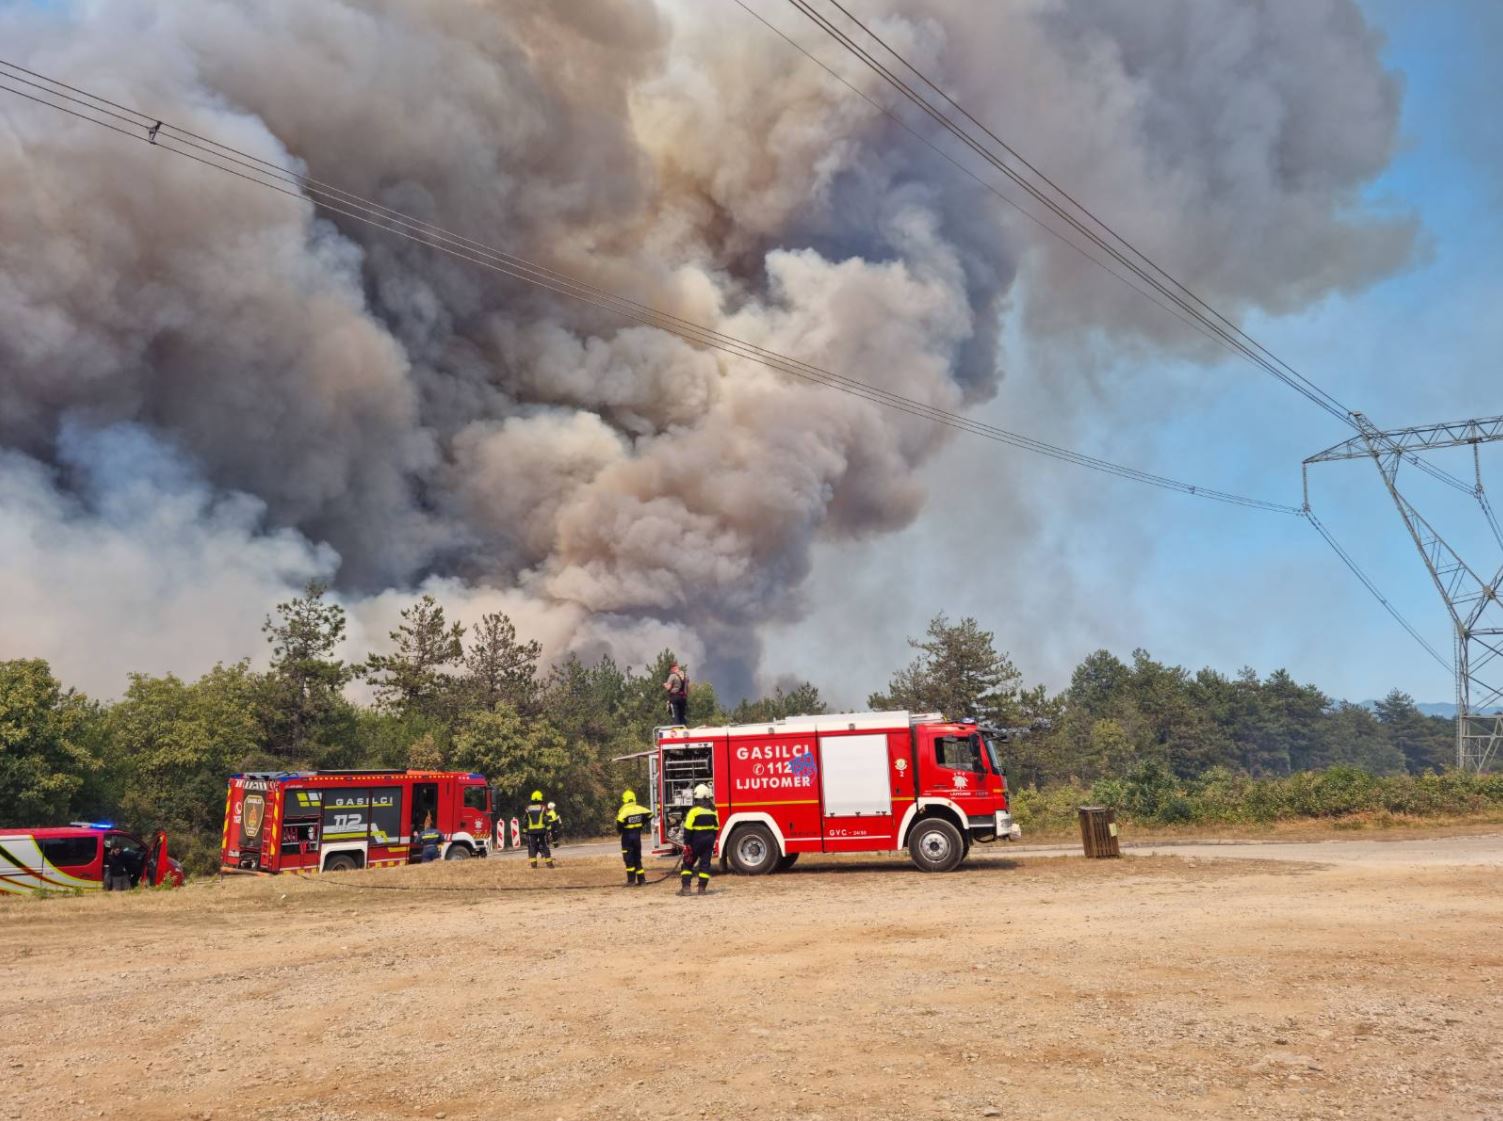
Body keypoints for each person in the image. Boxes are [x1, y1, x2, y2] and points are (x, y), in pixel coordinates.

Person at [679, 783, 718, 896]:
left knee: (688, 863)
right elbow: (716, 828)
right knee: (705, 865)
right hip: (709, 840)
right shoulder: (713, 810)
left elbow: (688, 828)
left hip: (696, 840)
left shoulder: (694, 810)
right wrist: (712, 840)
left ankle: (686, 888)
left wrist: (687, 844)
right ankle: (702, 889)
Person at [616, 789, 652, 887]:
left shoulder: (624, 810)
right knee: (637, 858)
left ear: (625, 800)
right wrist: (641, 824)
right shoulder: (639, 808)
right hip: (637, 836)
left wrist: (621, 830)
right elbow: (650, 814)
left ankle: (631, 881)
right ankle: (642, 880)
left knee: (628, 859)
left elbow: (619, 821)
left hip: (627, 837)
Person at [523, 790, 554, 869]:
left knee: (532, 846)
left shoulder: (528, 808)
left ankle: (533, 864)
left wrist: (524, 831)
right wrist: (549, 830)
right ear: (540, 799)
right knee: (544, 846)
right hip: (541, 831)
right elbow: (546, 820)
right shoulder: (543, 808)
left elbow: (525, 821)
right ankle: (549, 863)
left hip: (531, 832)